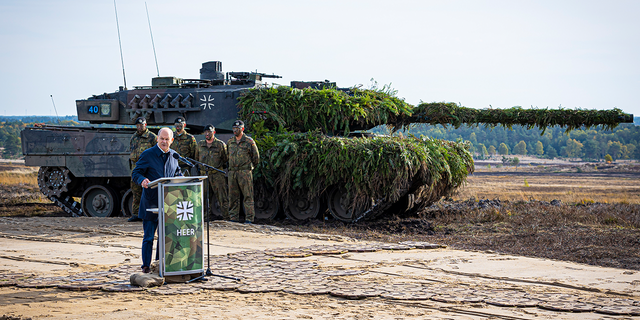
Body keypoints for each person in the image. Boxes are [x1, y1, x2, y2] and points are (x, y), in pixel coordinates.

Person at [131, 127, 182, 273]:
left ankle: (159, 265)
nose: (164, 142)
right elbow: (136, 172)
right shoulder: (148, 154)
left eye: (167, 139)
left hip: (168, 203)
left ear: (172, 141)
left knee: (164, 237)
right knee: (148, 237)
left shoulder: (174, 156)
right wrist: (142, 180)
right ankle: (146, 266)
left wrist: (180, 180)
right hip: (150, 202)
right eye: (162, 139)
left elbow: (177, 173)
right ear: (157, 139)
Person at [194, 124, 229, 220]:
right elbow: (196, 158)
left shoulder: (220, 145)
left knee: (222, 197)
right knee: (204, 197)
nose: (207, 134)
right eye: (205, 132)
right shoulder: (200, 144)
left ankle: (226, 217)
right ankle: (205, 218)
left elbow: (225, 159)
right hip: (204, 174)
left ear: (214, 132)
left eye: (209, 132)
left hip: (217, 174)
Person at [227, 120, 260, 224]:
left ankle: (249, 218)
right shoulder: (230, 141)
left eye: (237, 128)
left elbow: (256, 157)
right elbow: (227, 156)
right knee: (233, 196)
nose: (235, 130)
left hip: (245, 171)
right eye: (234, 129)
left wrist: (249, 168)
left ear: (242, 129)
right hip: (233, 172)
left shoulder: (249, 141)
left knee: (247, 196)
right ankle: (233, 218)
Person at [128, 117, 157, 222]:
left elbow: (156, 152)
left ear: (146, 125)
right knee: (136, 191)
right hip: (136, 167)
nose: (140, 127)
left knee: (149, 191)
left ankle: (149, 214)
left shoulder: (152, 137)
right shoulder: (134, 137)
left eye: (142, 125)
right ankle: (136, 214)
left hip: (147, 167)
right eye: (138, 126)